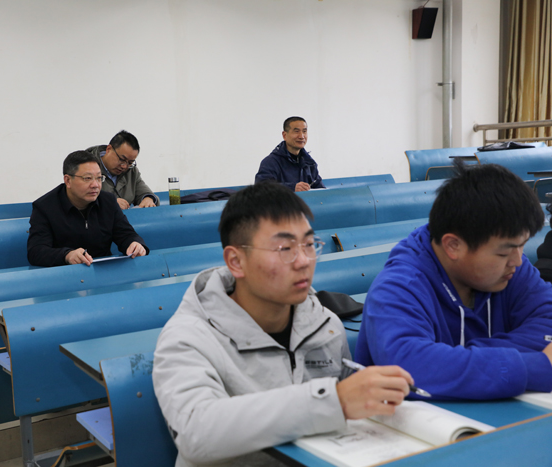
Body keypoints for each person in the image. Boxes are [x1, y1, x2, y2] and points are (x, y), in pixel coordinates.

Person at [153, 182, 413, 467]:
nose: (303, 261)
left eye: (309, 245)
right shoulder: (187, 338)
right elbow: (196, 433)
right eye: (284, 248)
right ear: (236, 261)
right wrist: (333, 401)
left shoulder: (325, 324)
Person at [355, 161, 552, 400]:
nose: (518, 261)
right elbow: (410, 368)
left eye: (522, 246)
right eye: (503, 253)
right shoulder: (398, 287)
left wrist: (455, 361)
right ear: (453, 246)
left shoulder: (510, 269)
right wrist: (537, 366)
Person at [27, 151, 148, 267]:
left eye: (99, 178)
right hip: (66, 273)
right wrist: (67, 255)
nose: (95, 185)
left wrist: (135, 244)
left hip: (103, 271)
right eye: (87, 178)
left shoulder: (108, 201)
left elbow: (126, 234)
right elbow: (36, 251)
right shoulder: (45, 207)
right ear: (68, 181)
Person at [85, 130, 159, 210]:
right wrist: (109, 202)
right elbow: (79, 198)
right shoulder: (85, 167)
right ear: (108, 149)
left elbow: (145, 192)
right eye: (121, 159)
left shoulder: (131, 171)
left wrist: (148, 199)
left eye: (130, 162)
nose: (124, 166)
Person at [255, 117, 325, 192]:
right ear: (284, 135)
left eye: (304, 131)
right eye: (296, 131)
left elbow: (321, 191)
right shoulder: (271, 162)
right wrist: (292, 188)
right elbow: (262, 188)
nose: (301, 136)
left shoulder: (309, 163)